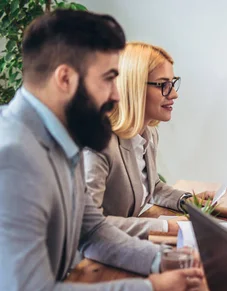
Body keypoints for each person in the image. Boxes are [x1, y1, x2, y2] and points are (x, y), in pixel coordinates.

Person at [0, 10, 204, 291]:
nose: (118, 95)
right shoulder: (14, 157)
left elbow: (91, 228)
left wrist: (160, 260)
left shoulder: (60, 137)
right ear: (64, 78)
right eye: (108, 79)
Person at [83, 41, 213, 239]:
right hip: (86, 260)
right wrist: (164, 227)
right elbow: (88, 223)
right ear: (132, 87)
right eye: (163, 85)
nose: (174, 94)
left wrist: (188, 201)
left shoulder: (148, 132)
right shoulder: (97, 144)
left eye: (173, 83)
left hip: (123, 246)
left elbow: (152, 187)